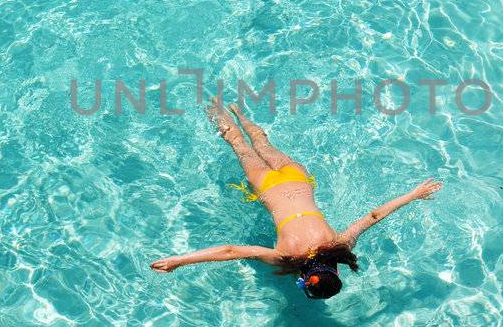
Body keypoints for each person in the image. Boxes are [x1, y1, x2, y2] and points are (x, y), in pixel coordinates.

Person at [149, 99, 442, 299]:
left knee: (261, 141)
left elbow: (374, 216)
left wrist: (414, 194)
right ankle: (212, 107)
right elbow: (229, 250)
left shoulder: (340, 244)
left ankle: (238, 111)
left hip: (297, 178)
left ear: (335, 269)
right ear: (305, 278)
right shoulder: (285, 256)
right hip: (267, 187)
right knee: (238, 143)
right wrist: (180, 260)